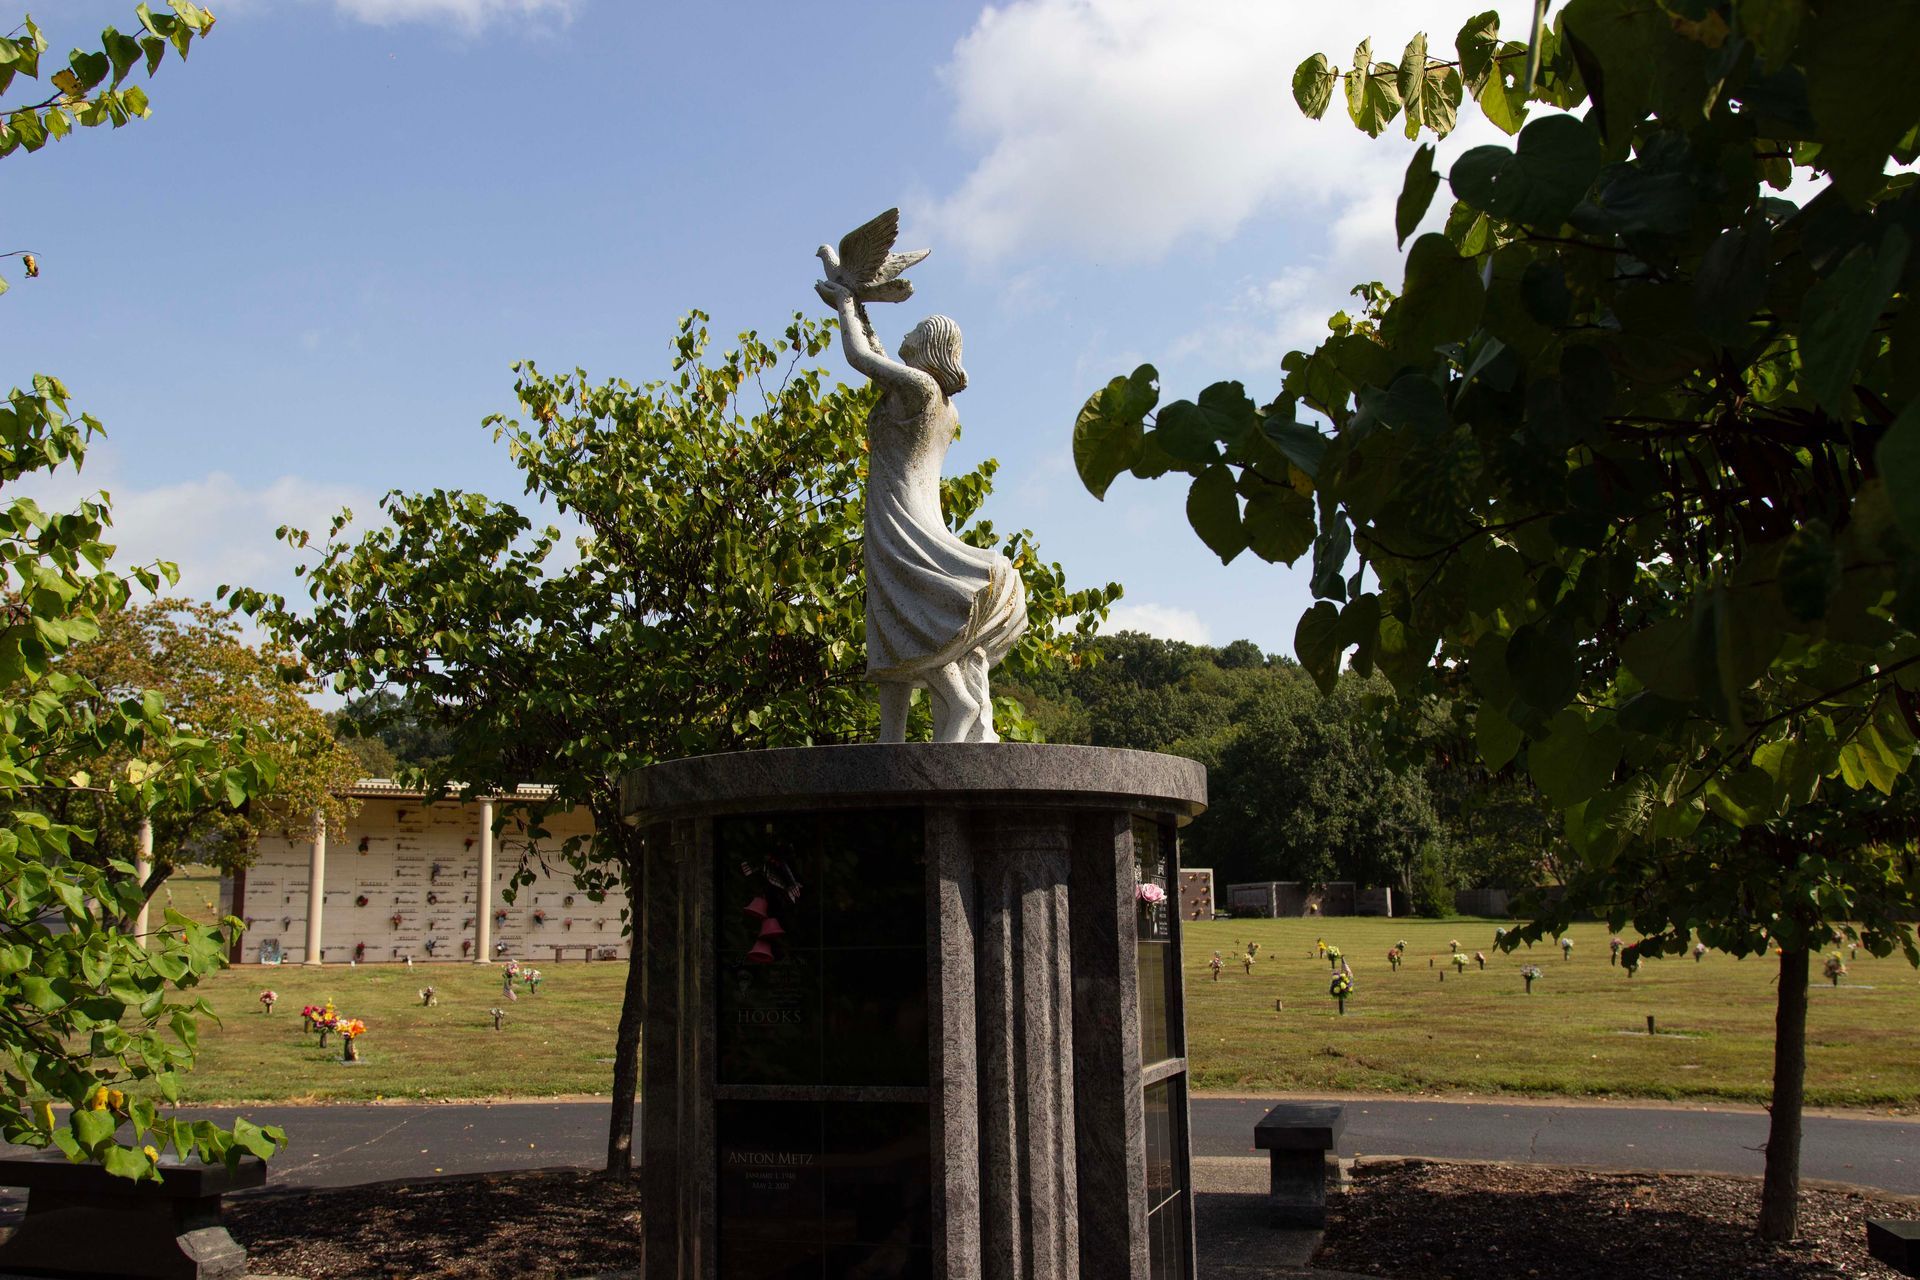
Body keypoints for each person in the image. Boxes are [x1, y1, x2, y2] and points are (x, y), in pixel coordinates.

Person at [815, 279, 1027, 743]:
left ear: (928, 343)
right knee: (893, 623)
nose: (905, 334)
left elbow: (861, 357)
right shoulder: (934, 399)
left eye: (914, 329)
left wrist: (846, 303)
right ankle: (890, 740)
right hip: (892, 513)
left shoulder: (922, 391)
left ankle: (960, 707)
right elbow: (878, 351)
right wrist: (851, 293)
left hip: (903, 519)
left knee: (912, 618)